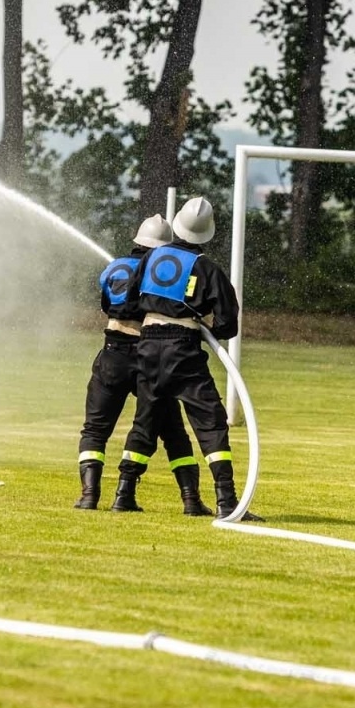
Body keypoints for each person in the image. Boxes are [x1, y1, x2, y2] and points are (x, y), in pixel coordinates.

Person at [111, 197, 261, 520]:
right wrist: (199, 320)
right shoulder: (208, 269)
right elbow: (228, 325)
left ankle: (124, 493)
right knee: (210, 421)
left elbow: (131, 303)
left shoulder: (148, 259)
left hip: (146, 347)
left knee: (145, 420)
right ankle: (227, 501)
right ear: (208, 233)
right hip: (183, 348)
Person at [75, 215, 211, 516]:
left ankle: (89, 495)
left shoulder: (114, 267)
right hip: (151, 356)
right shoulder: (161, 269)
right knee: (172, 431)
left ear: (137, 241)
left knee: (96, 429)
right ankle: (188, 499)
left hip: (112, 353)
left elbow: (108, 306)